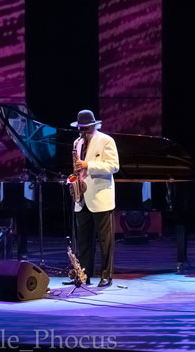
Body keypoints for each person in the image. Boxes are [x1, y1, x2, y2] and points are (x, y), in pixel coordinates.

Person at [71, 110, 119, 287]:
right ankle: (84, 274)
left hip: (100, 197)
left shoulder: (106, 140)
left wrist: (87, 165)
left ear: (93, 125)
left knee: (105, 241)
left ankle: (106, 276)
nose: (81, 131)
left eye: (84, 128)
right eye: (80, 128)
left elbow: (114, 166)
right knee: (83, 240)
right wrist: (74, 180)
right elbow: (78, 169)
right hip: (81, 197)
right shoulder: (77, 142)